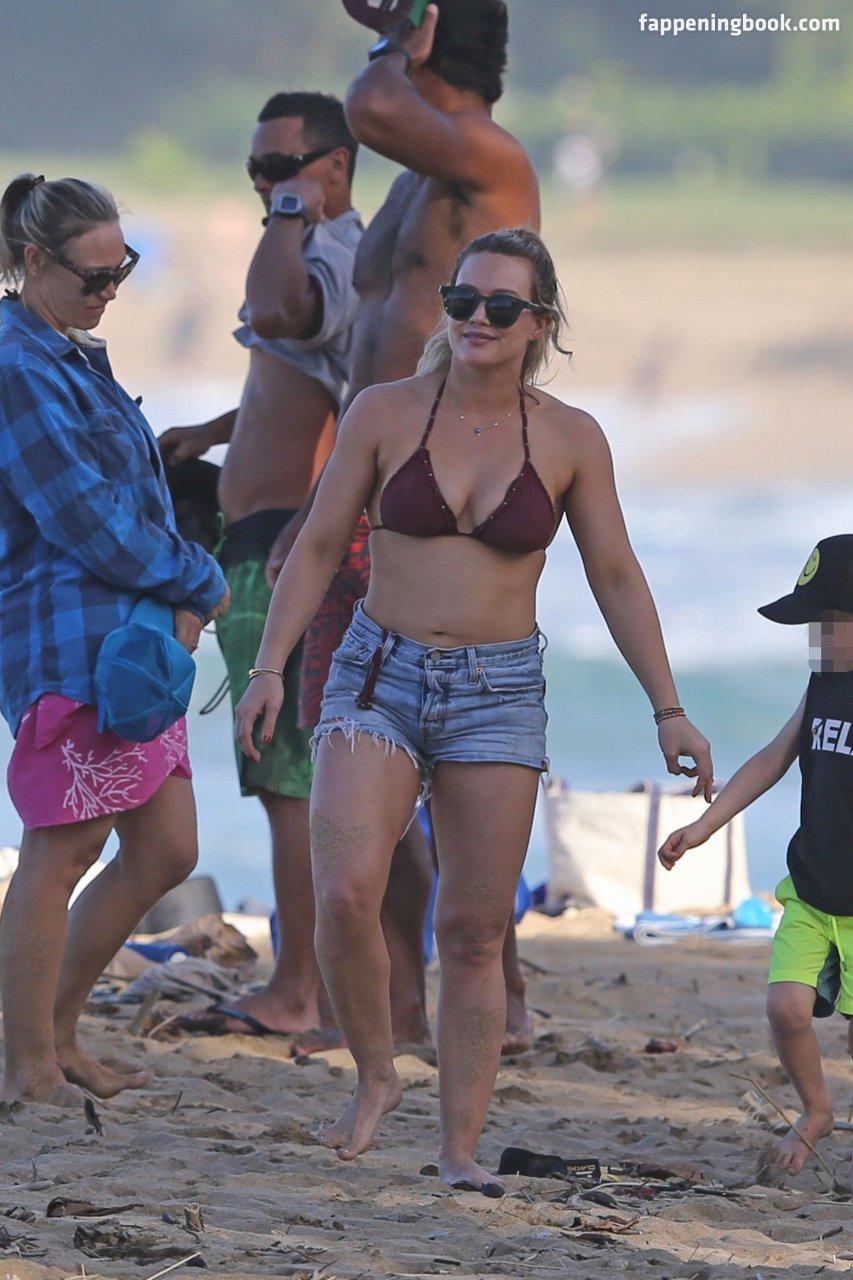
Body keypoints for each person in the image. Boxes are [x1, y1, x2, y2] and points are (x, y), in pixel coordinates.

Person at [235, 227, 713, 1192]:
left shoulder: (571, 438)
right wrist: (269, 667)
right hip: (377, 672)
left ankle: (458, 1149)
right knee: (344, 894)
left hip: (498, 692)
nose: (476, 320)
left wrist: (667, 707)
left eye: (500, 306)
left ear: (540, 323)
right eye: (462, 301)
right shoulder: (384, 411)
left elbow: (616, 574)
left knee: (473, 931)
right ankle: (376, 1073)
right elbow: (319, 544)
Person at [275, 0, 543, 1055]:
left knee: (458, 764)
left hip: (441, 501)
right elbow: (363, 354)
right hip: (366, 495)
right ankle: (393, 1007)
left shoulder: (487, 162)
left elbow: (372, 105)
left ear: (430, 35)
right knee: (356, 750)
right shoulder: (411, 187)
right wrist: (321, 498)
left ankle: (499, 995)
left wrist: (399, 38)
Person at [0, 173, 229, 1104]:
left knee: (166, 849)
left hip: (131, 639)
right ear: (33, 260)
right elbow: (83, 516)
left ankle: (56, 1038)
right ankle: (26, 1064)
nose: (110, 291)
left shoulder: (67, 351)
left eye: (121, 270)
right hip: (71, 639)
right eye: (93, 276)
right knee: (61, 851)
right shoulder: (17, 364)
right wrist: (199, 579)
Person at [158, 92, 362, 1041]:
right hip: (264, 536)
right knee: (289, 775)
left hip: (288, 545)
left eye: (283, 168)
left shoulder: (332, 252)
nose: (266, 186)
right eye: (256, 171)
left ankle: (298, 991)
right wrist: (215, 432)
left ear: (335, 168)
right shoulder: (324, 253)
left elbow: (277, 312)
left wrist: (288, 214)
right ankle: (317, 982)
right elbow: (304, 381)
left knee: (288, 782)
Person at [659, 534, 853, 1178]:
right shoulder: (822, 684)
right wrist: (705, 826)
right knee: (785, 1008)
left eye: (828, 624)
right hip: (813, 888)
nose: (817, 640)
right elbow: (773, 758)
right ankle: (816, 1109)